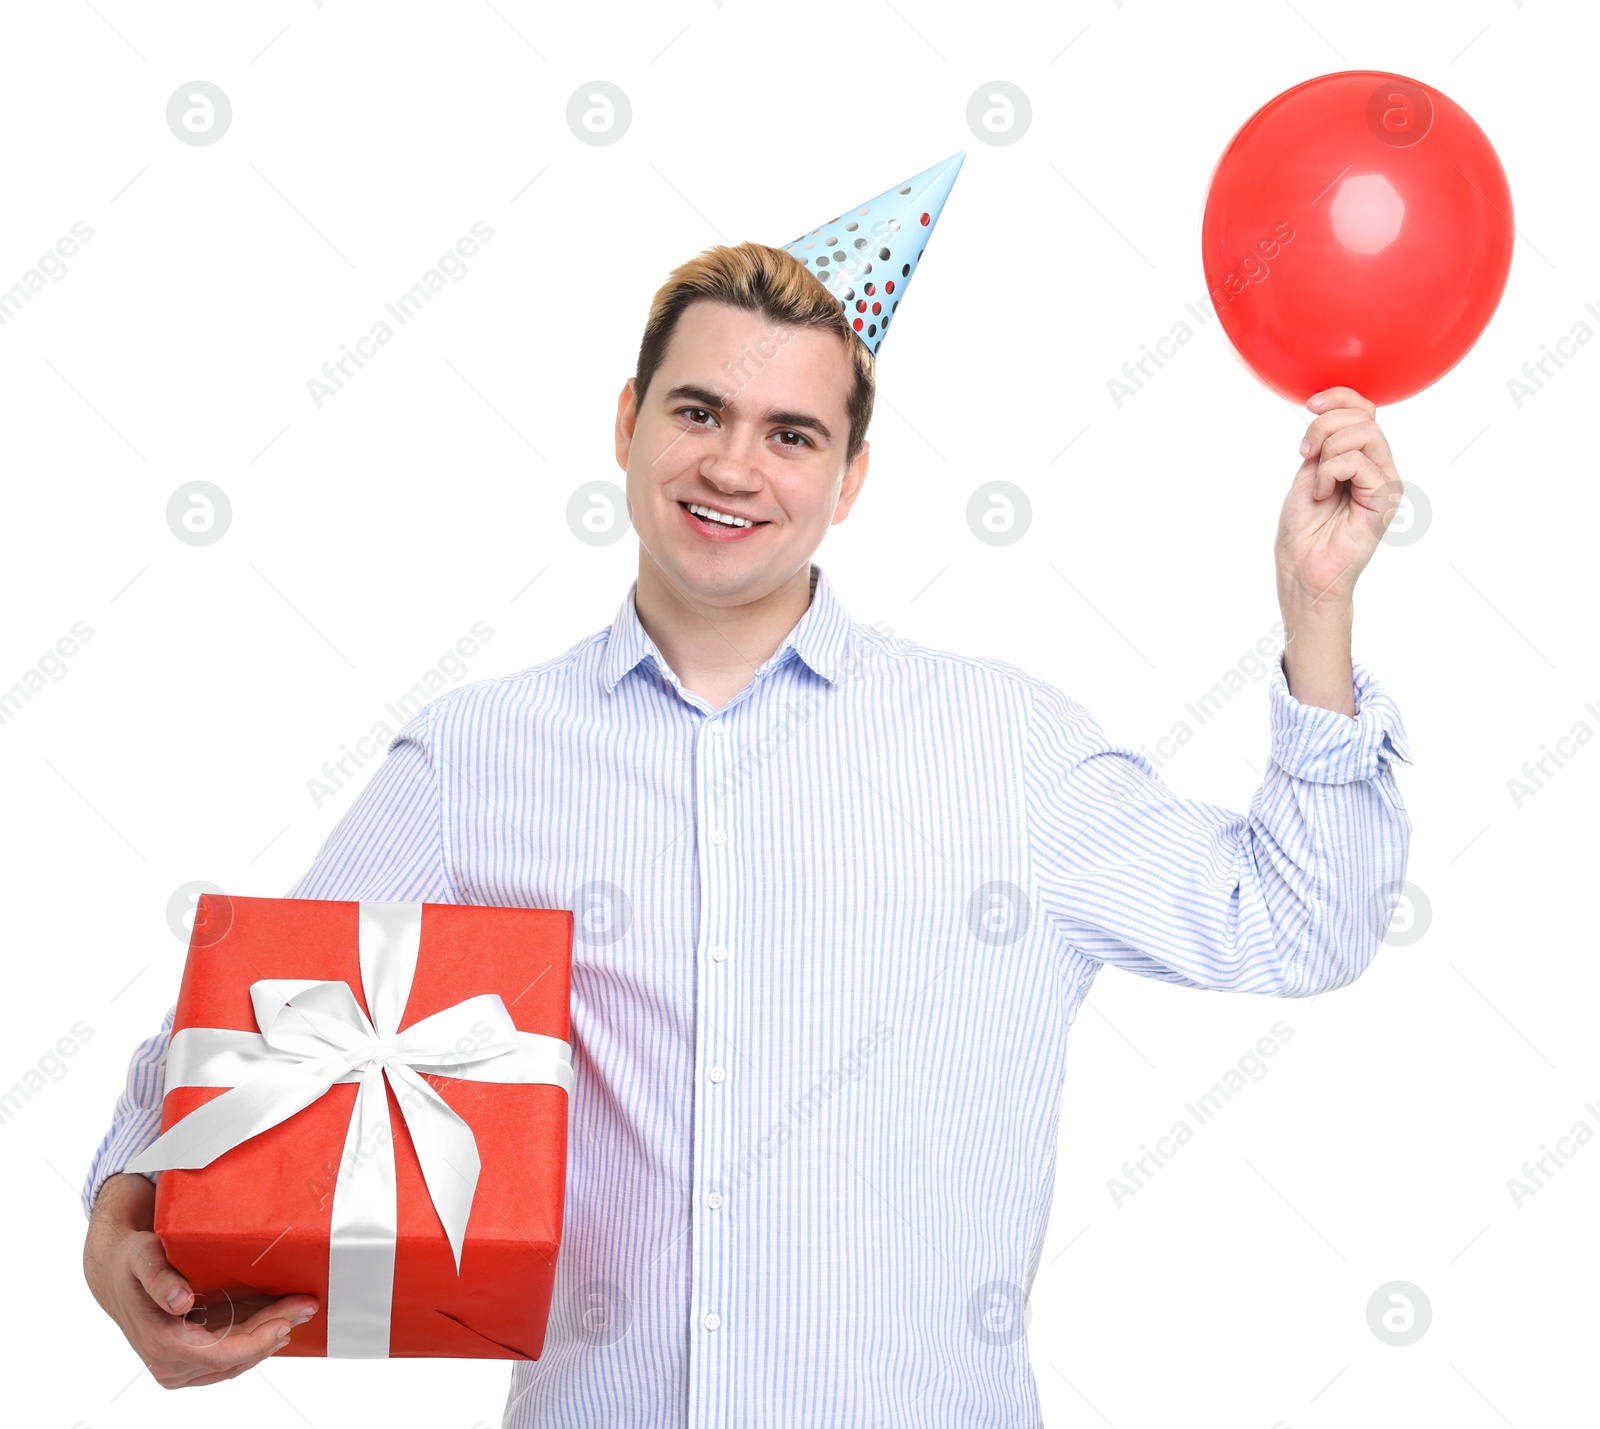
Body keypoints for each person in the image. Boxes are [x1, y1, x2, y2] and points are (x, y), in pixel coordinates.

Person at [81, 155, 1412, 1425]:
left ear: (851, 477)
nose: (733, 467)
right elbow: (256, 1028)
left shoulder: (1004, 749)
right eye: (700, 411)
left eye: (791, 432)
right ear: (628, 419)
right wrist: (118, 1230)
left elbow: (1298, 924)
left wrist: (1314, 608)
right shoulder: (480, 757)